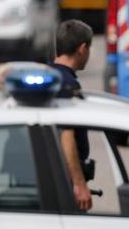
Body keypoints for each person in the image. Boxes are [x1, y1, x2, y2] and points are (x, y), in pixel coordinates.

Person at [51, 19, 94, 210]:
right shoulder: (67, 85)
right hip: (61, 180)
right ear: (82, 48)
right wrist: (79, 184)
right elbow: (66, 136)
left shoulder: (49, 76)